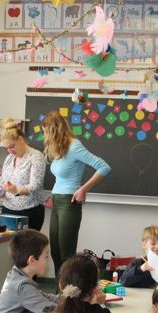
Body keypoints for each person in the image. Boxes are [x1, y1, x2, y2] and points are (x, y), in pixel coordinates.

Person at [42, 110, 110, 274]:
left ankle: (69, 289)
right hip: (57, 201)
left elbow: (104, 167)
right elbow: (61, 177)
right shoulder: (60, 148)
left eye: (46, 133)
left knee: (66, 255)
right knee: (55, 253)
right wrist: (52, 196)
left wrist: (84, 188)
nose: (45, 137)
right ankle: (60, 288)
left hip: (69, 202)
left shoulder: (74, 146)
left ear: (54, 131)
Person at [0, 118, 47, 231]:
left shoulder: (36, 157)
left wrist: (16, 190)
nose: (10, 151)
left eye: (12, 146)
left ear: (21, 139)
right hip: (8, 210)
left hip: (29, 212)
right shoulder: (9, 158)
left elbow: (35, 186)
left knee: (27, 243)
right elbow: (3, 182)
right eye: (6, 148)